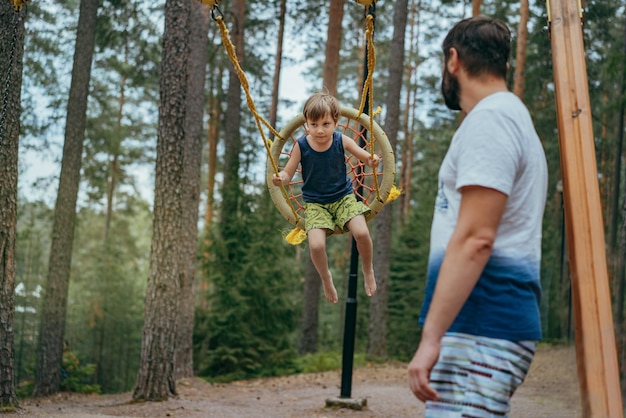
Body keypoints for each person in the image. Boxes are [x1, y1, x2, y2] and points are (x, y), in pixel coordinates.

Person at [407, 16, 548, 417]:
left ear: (453, 60)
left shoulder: (492, 120)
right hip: (482, 324)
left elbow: (476, 239)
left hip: (483, 322)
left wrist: (431, 337)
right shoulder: (505, 117)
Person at [273, 92, 380, 304]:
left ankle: (368, 269)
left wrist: (372, 159)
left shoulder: (342, 140)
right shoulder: (301, 146)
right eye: (314, 124)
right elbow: (288, 172)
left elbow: (364, 156)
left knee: (362, 232)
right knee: (316, 246)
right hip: (316, 204)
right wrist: (281, 178)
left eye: (326, 123)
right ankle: (326, 277)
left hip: (343, 198)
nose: (320, 130)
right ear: (306, 124)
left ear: (335, 122)